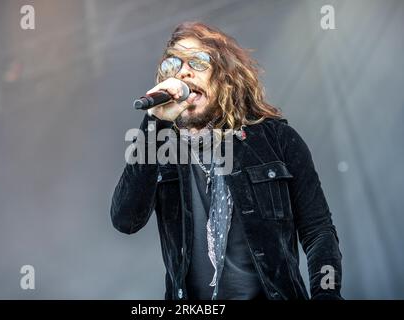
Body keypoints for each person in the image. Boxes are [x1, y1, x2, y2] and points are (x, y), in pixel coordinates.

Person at [111, 21, 342, 300]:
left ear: (225, 77)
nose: (183, 71)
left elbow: (318, 230)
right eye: (173, 64)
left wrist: (326, 295)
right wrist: (153, 122)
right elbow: (126, 220)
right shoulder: (161, 146)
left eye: (197, 61)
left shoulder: (277, 139)